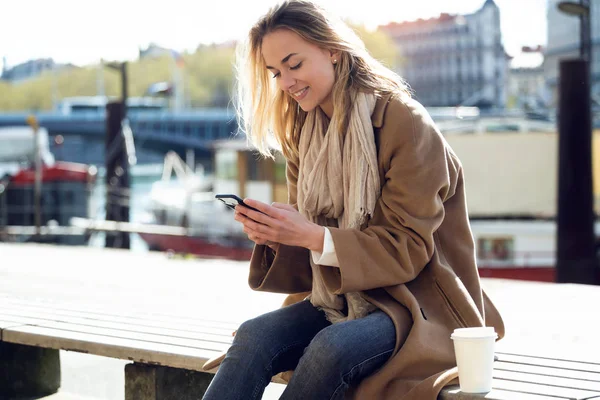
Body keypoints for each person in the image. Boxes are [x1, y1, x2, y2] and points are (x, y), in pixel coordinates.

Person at [202, 1, 505, 399]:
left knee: (331, 348)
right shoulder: (305, 130)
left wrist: (310, 236)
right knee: (254, 336)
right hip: (341, 297)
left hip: (417, 302)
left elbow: (409, 250)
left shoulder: (405, 122)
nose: (286, 82)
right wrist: (279, 234)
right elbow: (318, 250)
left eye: (294, 65)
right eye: (275, 72)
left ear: (332, 48)